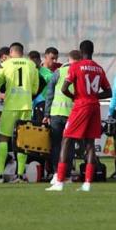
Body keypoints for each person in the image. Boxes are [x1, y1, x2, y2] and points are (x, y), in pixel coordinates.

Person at [47, 40, 111, 192]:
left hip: (80, 106)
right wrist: (94, 96)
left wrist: (75, 96)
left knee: (66, 140)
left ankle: (60, 181)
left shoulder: (75, 66)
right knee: (89, 144)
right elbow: (109, 92)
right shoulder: (99, 69)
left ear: (81, 52)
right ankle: (87, 183)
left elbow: (63, 88)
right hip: (94, 107)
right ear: (92, 51)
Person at [0, 42, 39, 183]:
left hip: (10, 107)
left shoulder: (5, 65)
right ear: (22, 52)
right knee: (23, 141)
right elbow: (35, 89)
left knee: (3, 139)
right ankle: (20, 175)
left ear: (11, 52)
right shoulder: (31, 65)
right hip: (26, 107)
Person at [43, 50, 81, 183]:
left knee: (56, 146)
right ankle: (68, 175)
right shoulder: (81, 72)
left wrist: (46, 114)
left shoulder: (58, 72)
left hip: (56, 113)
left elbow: (49, 94)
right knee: (69, 146)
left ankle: (56, 173)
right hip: (73, 114)